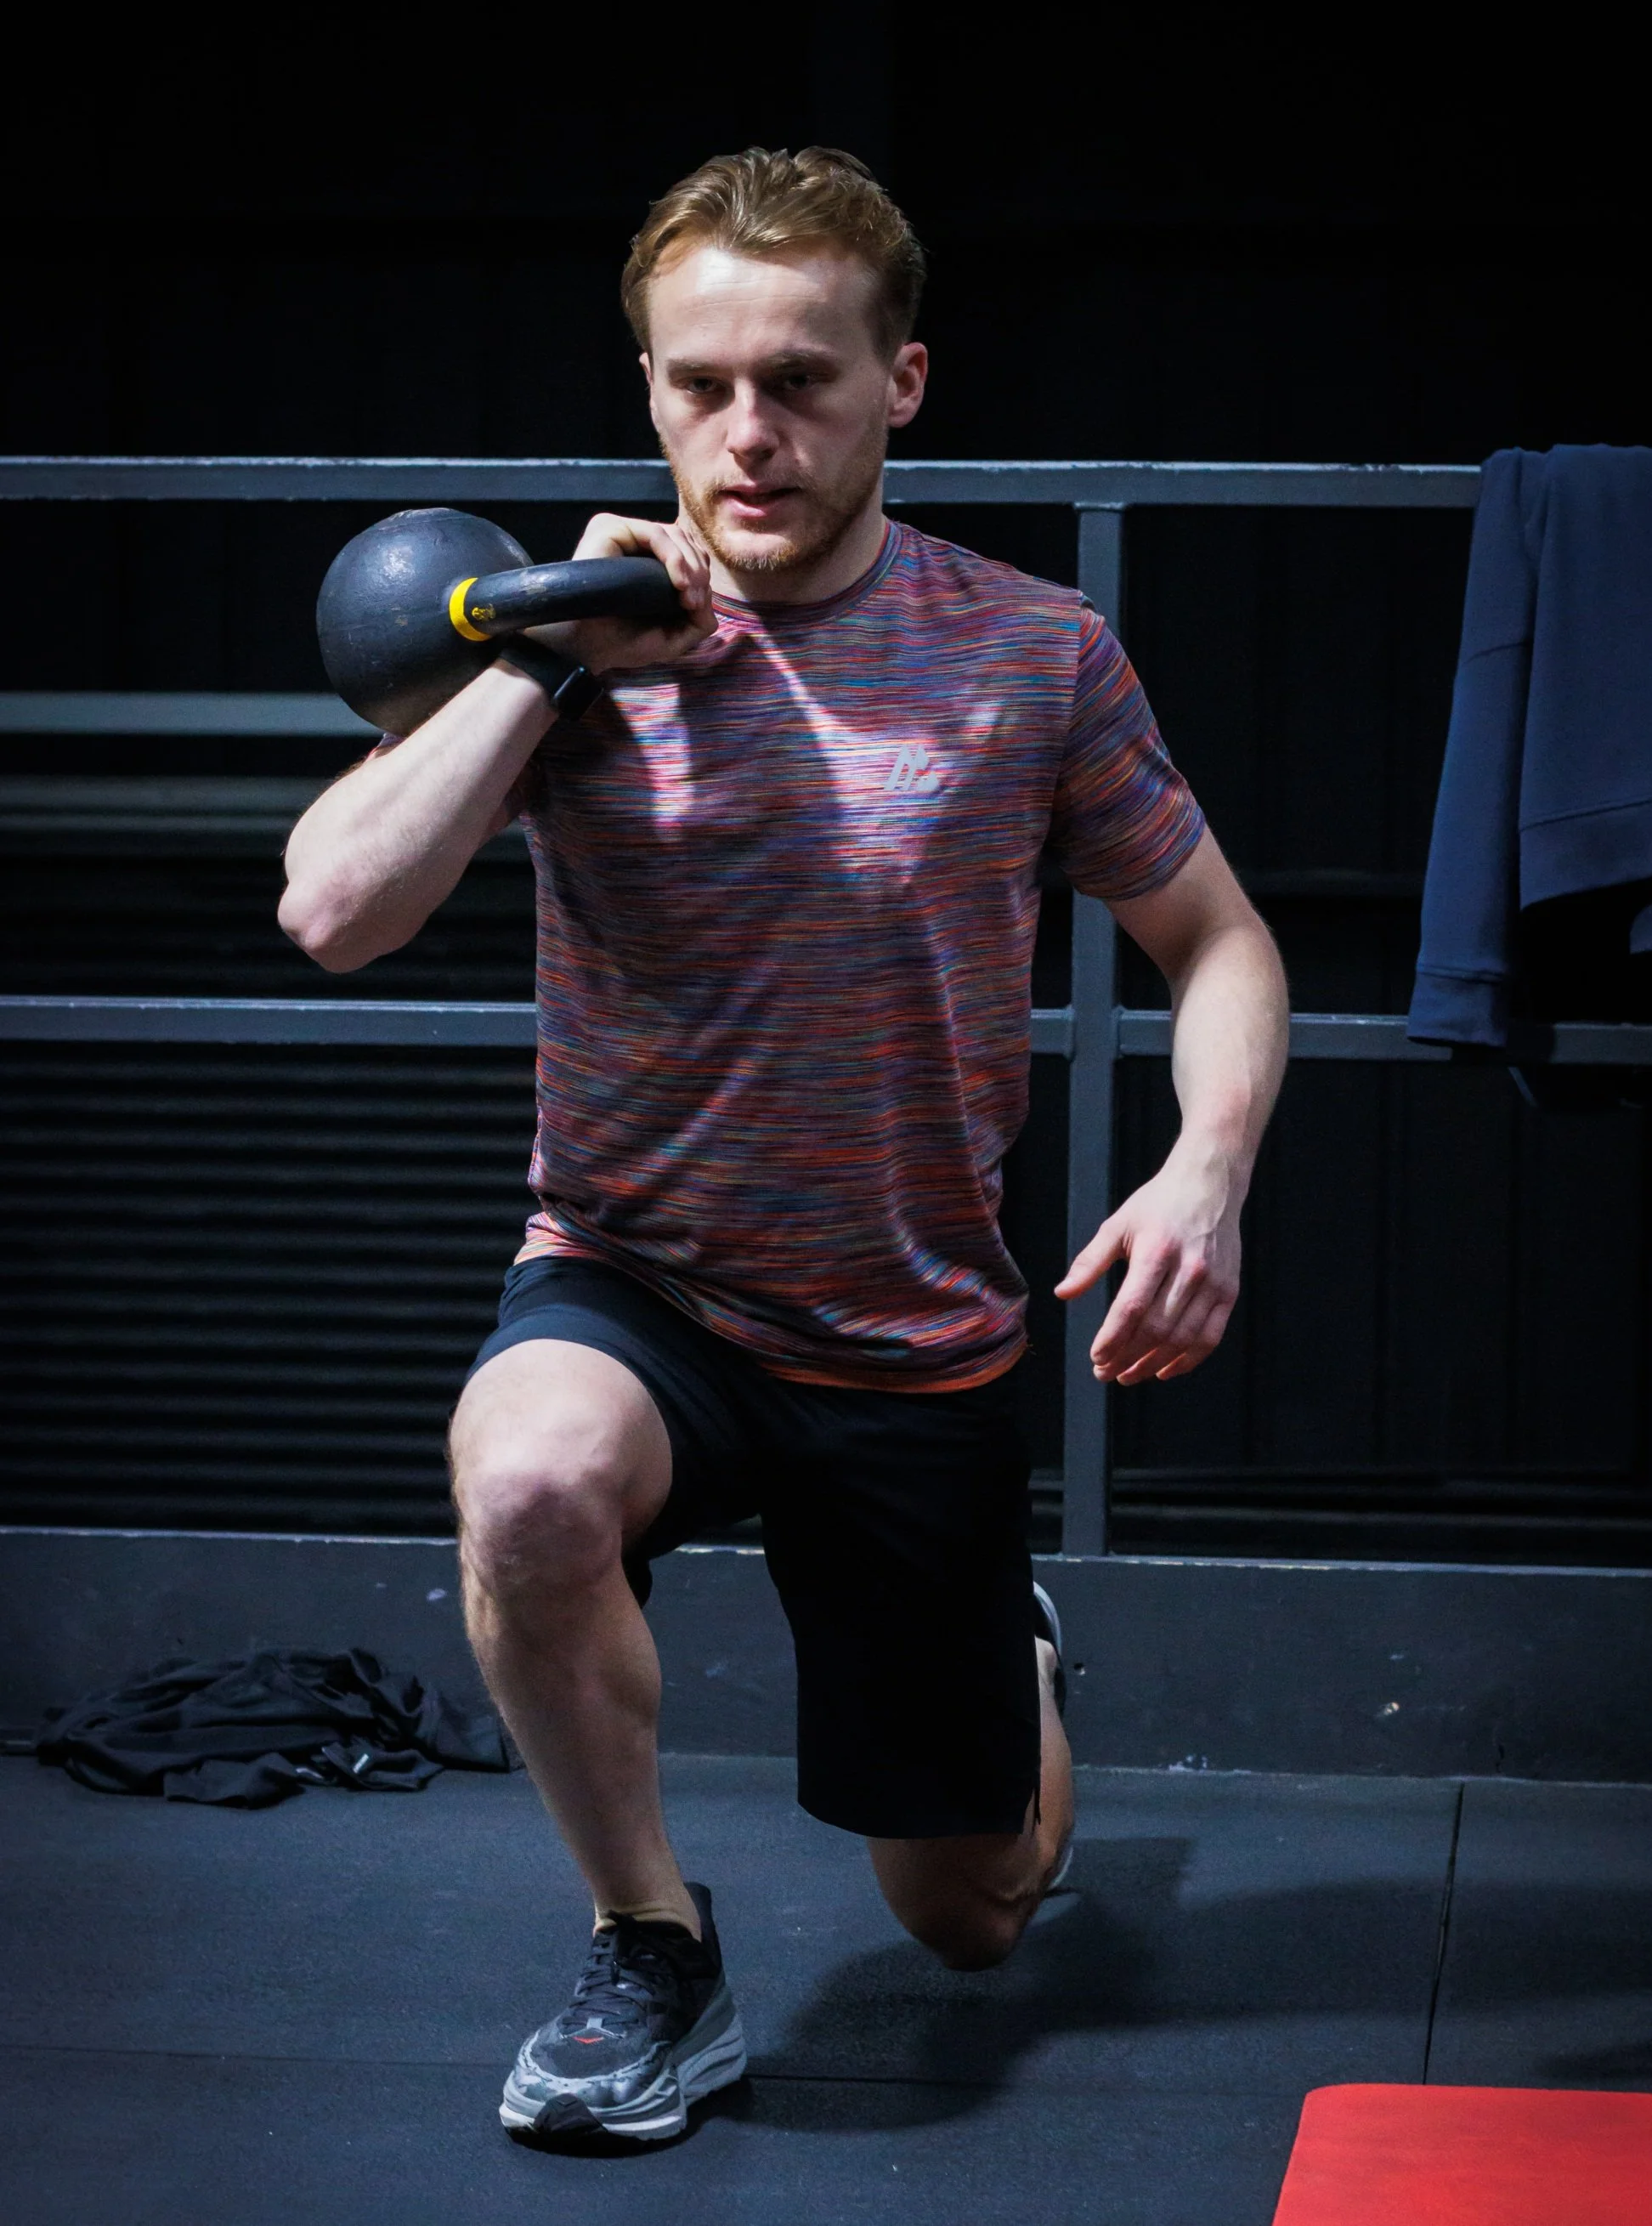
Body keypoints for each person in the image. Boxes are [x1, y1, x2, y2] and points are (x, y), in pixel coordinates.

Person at [279, 145, 1289, 2143]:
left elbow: (1220, 938)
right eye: (698, 382)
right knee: (530, 1476)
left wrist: (1203, 1171)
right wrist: (550, 653)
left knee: (975, 1921)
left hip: (908, 1331)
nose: (746, 434)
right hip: (635, 1276)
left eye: (802, 380)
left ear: (901, 379)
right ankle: (651, 1948)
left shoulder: (1028, 656)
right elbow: (332, 909)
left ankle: (1009, 1657)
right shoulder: (560, 661)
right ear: (648, 383)